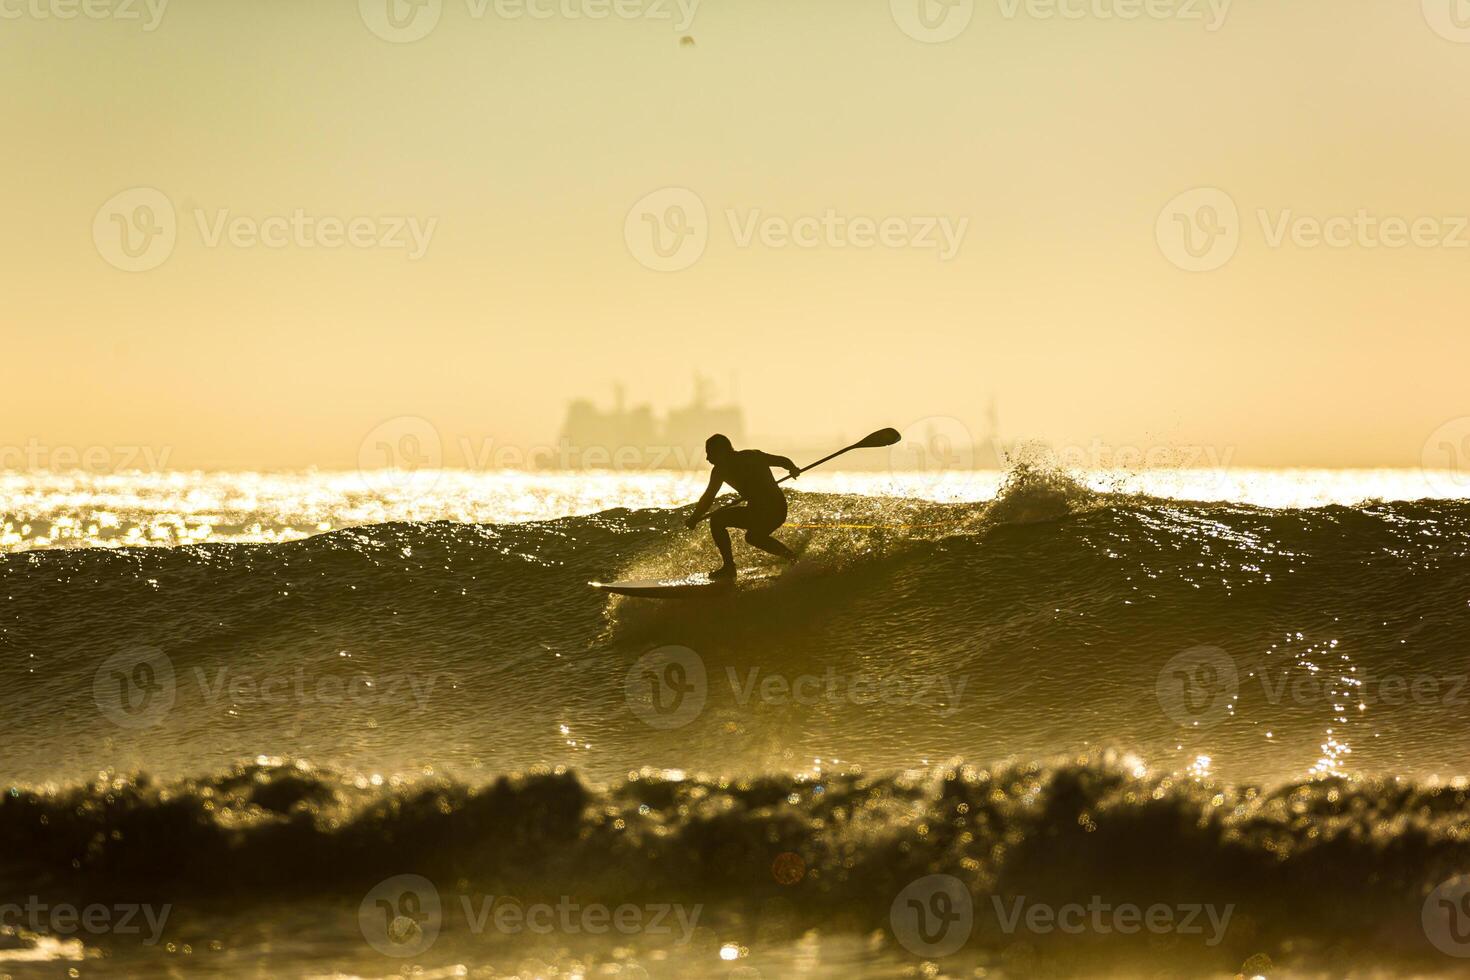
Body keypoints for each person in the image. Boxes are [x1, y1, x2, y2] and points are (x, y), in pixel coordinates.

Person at [685, 434, 800, 578]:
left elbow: (782, 461)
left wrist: (792, 468)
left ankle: (729, 568)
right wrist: (695, 516)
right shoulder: (721, 470)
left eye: (710, 453)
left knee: (719, 521)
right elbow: (708, 498)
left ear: (721, 451)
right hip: (758, 511)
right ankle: (793, 558)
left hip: (774, 509)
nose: (707, 458)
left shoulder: (751, 456)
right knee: (752, 537)